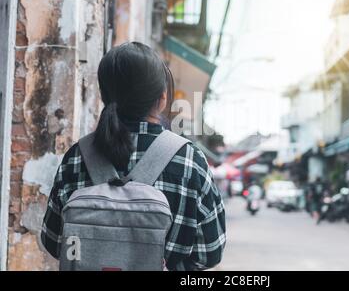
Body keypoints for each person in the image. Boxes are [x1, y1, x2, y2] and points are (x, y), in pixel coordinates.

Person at [40, 42, 226, 271]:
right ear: (163, 97)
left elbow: (53, 240)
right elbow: (210, 252)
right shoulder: (190, 160)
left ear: (103, 95)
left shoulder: (77, 156)